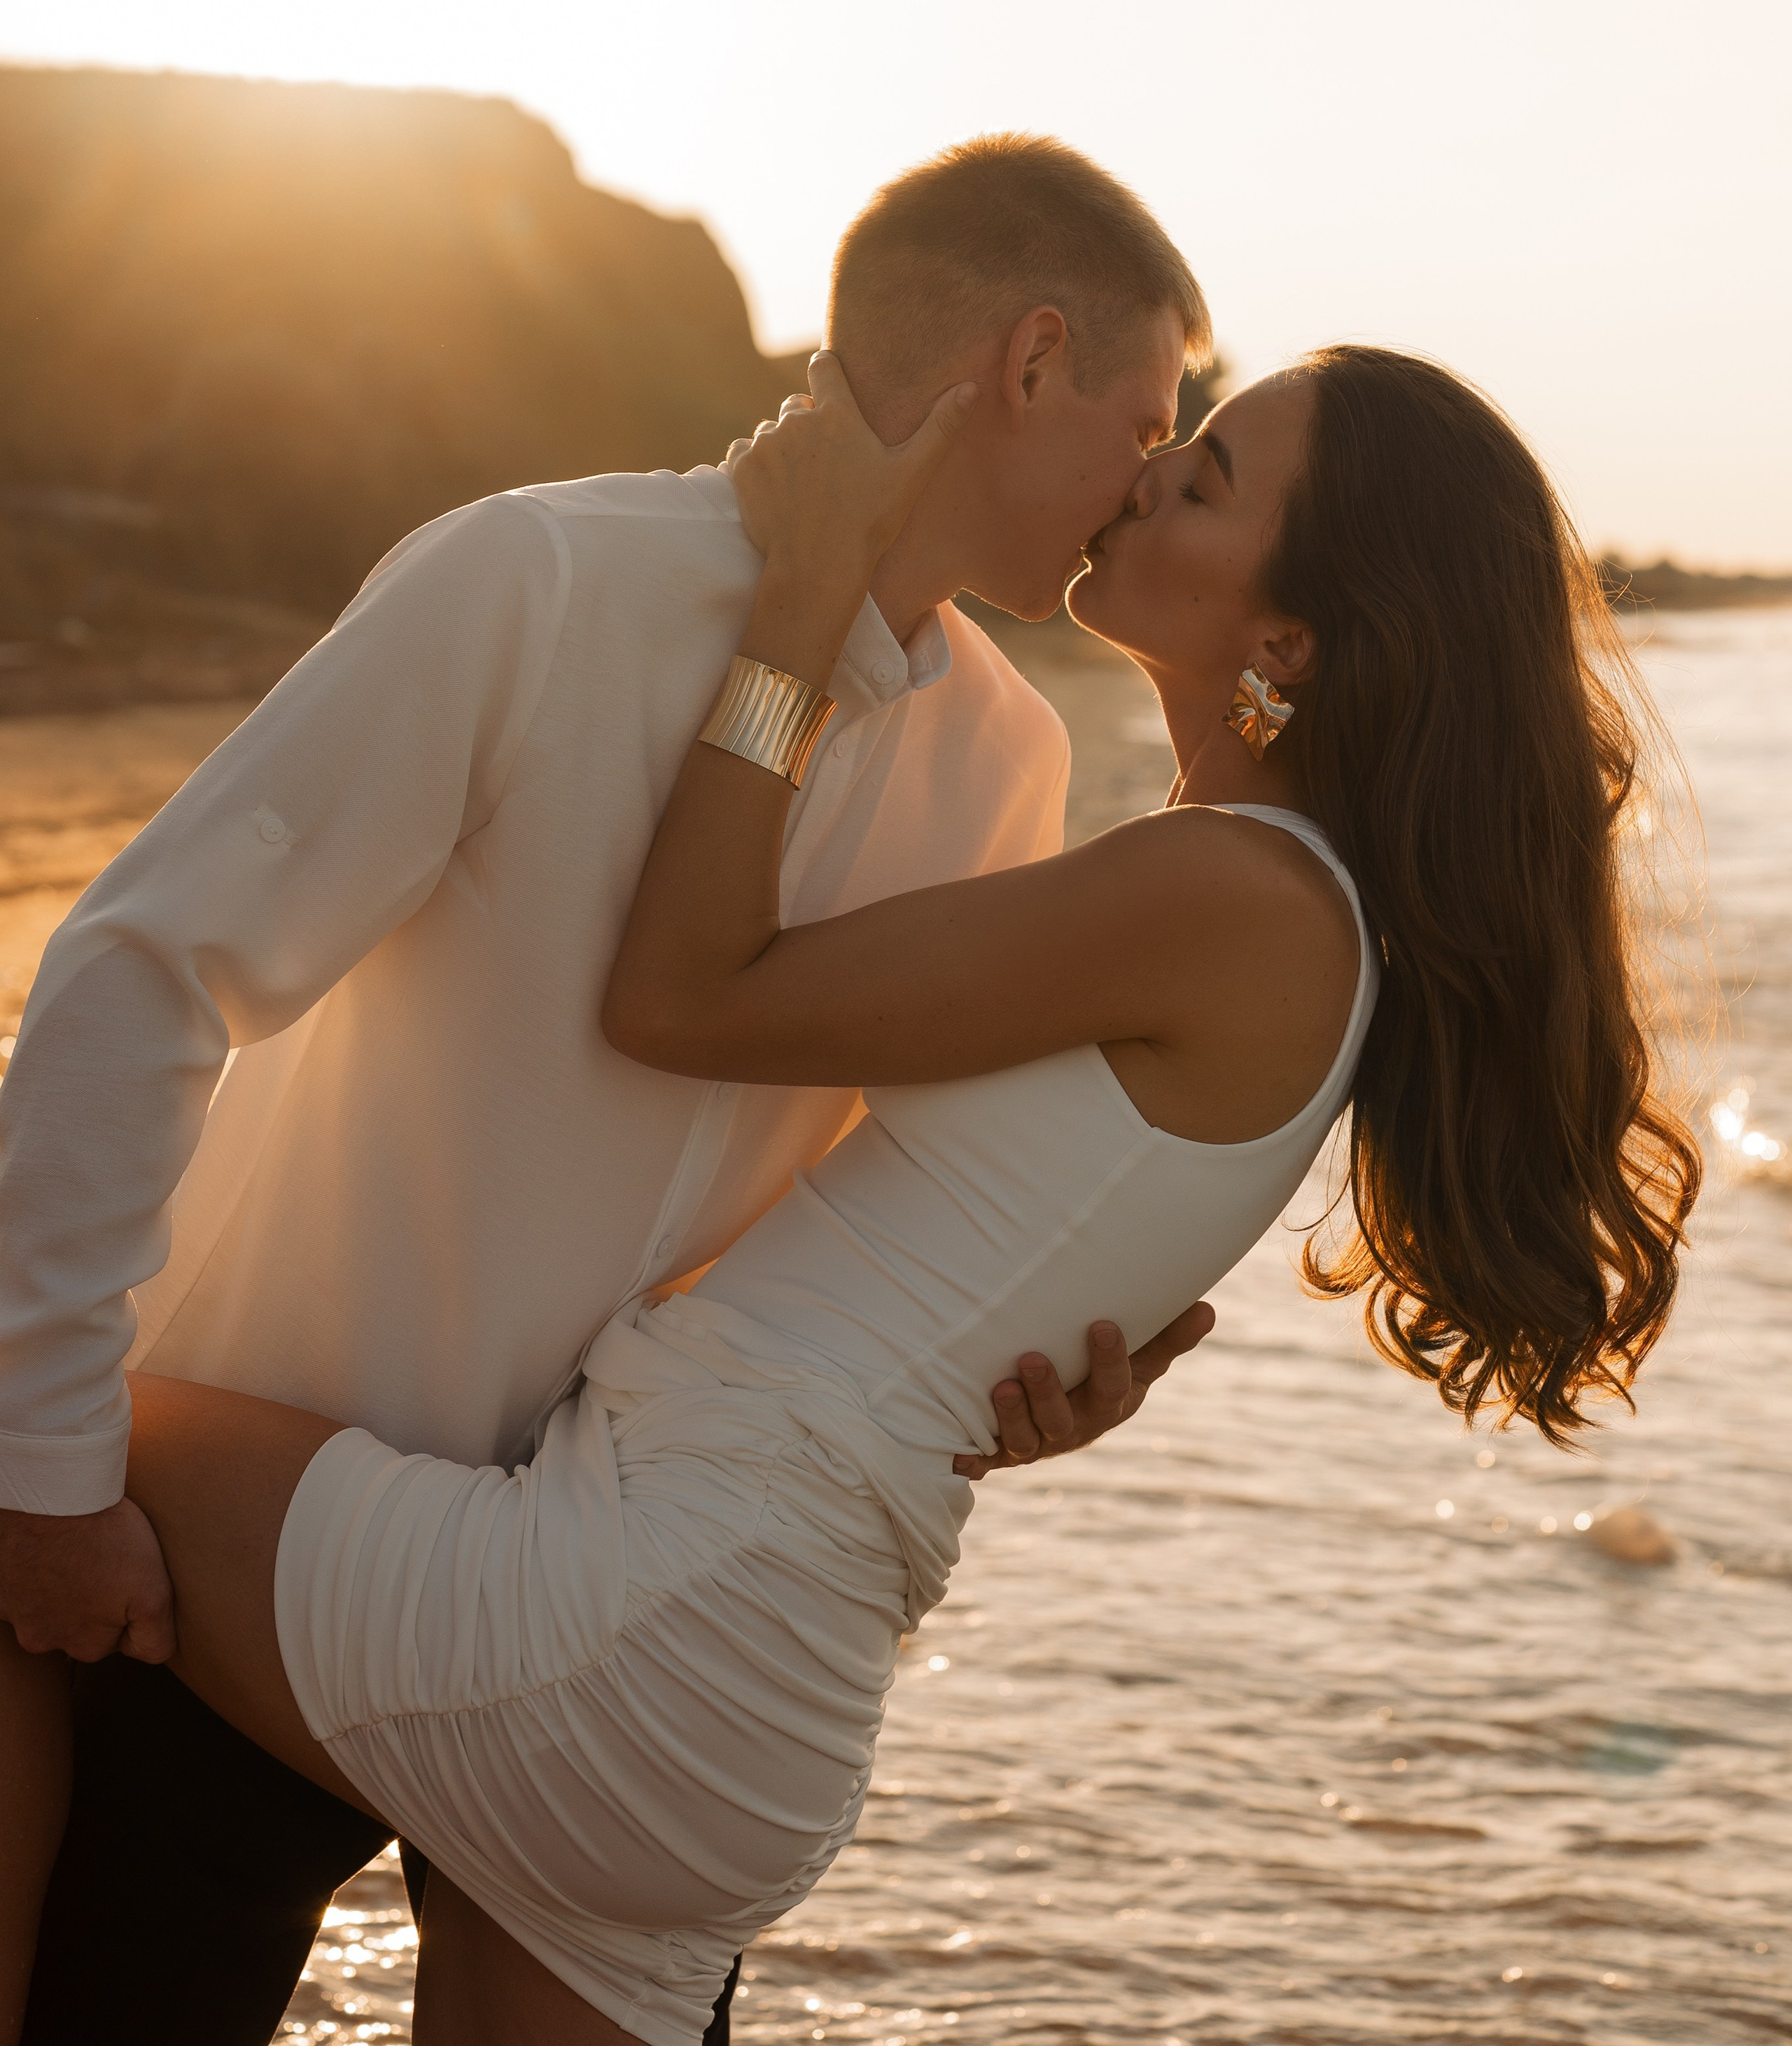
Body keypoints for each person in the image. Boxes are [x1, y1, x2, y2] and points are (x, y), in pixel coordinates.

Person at [1, 340, 1700, 2045]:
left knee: (40, 1437)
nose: (1149, 475)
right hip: (743, 1693)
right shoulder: (1265, 905)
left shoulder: (1228, 890)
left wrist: (800, 602)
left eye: (1208, 478)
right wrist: (1016, 1377)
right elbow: (951, 1218)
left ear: (1287, 640)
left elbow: (681, 998)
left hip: (636, 1608)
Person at [0, 134, 1220, 2046]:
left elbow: (915, 1207)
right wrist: (48, 1460)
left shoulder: (1005, 764)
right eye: (1153, 414)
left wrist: (1039, 1371)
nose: (1152, 476)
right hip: (240, 1549)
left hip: (619, 1600)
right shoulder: (544, 577)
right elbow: (141, 972)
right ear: (1033, 359)